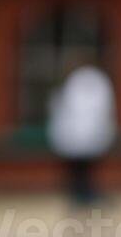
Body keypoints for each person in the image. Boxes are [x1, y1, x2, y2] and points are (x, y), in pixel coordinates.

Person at [47, 54, 116, 210]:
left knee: (82, 169)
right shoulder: (93, 80)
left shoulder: (78, 81)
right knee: (81, 169)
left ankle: (83, 195)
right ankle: (81, 195)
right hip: (81, 136)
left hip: (79, 136)